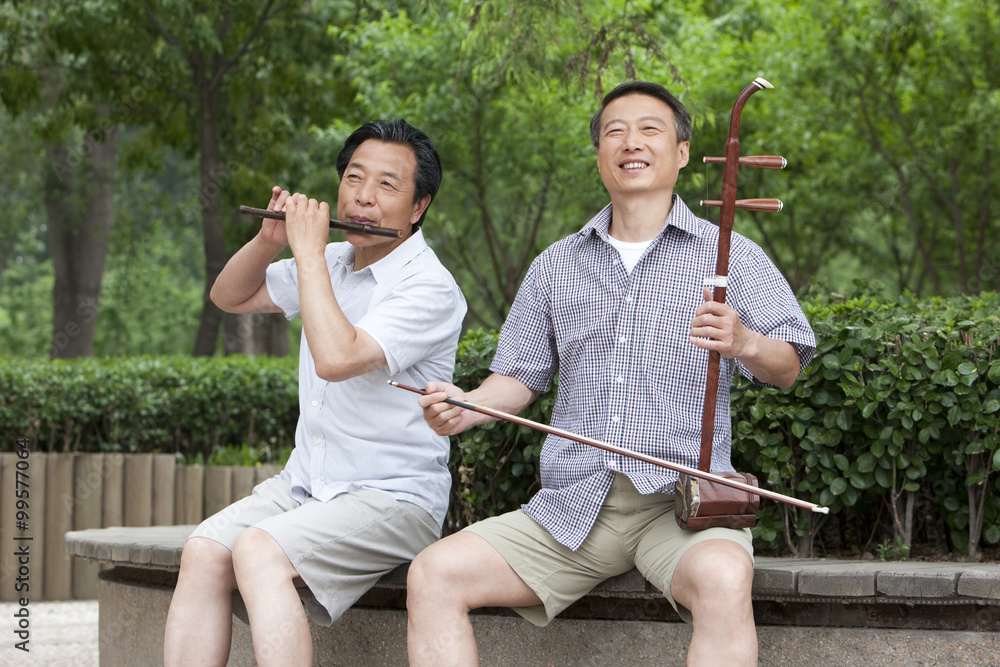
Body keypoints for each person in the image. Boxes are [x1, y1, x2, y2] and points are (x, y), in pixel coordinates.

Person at [405, 81, 816, 666]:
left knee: (725, 579)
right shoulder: (556, 264)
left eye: (651, 129)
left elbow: (790, 366)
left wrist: (745, 342)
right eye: (615, 131)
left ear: (681, 153)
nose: (631, 142)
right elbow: (519, 377)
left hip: (681, 505)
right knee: (433, 574)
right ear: (599, 154)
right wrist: (465, 405)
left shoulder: (732, 254)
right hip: (575, 502)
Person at [163, 119, 466, 667]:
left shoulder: (430, 287)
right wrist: (268, 241)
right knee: (205, 551)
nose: (363, 197)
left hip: (394, 497)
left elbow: (337, 359)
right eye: (354, 178)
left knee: (258, 550)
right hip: (309, 484)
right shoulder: (332, 262)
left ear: (419, 206)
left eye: (387, 186)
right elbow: (229, 296)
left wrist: (305, 257)